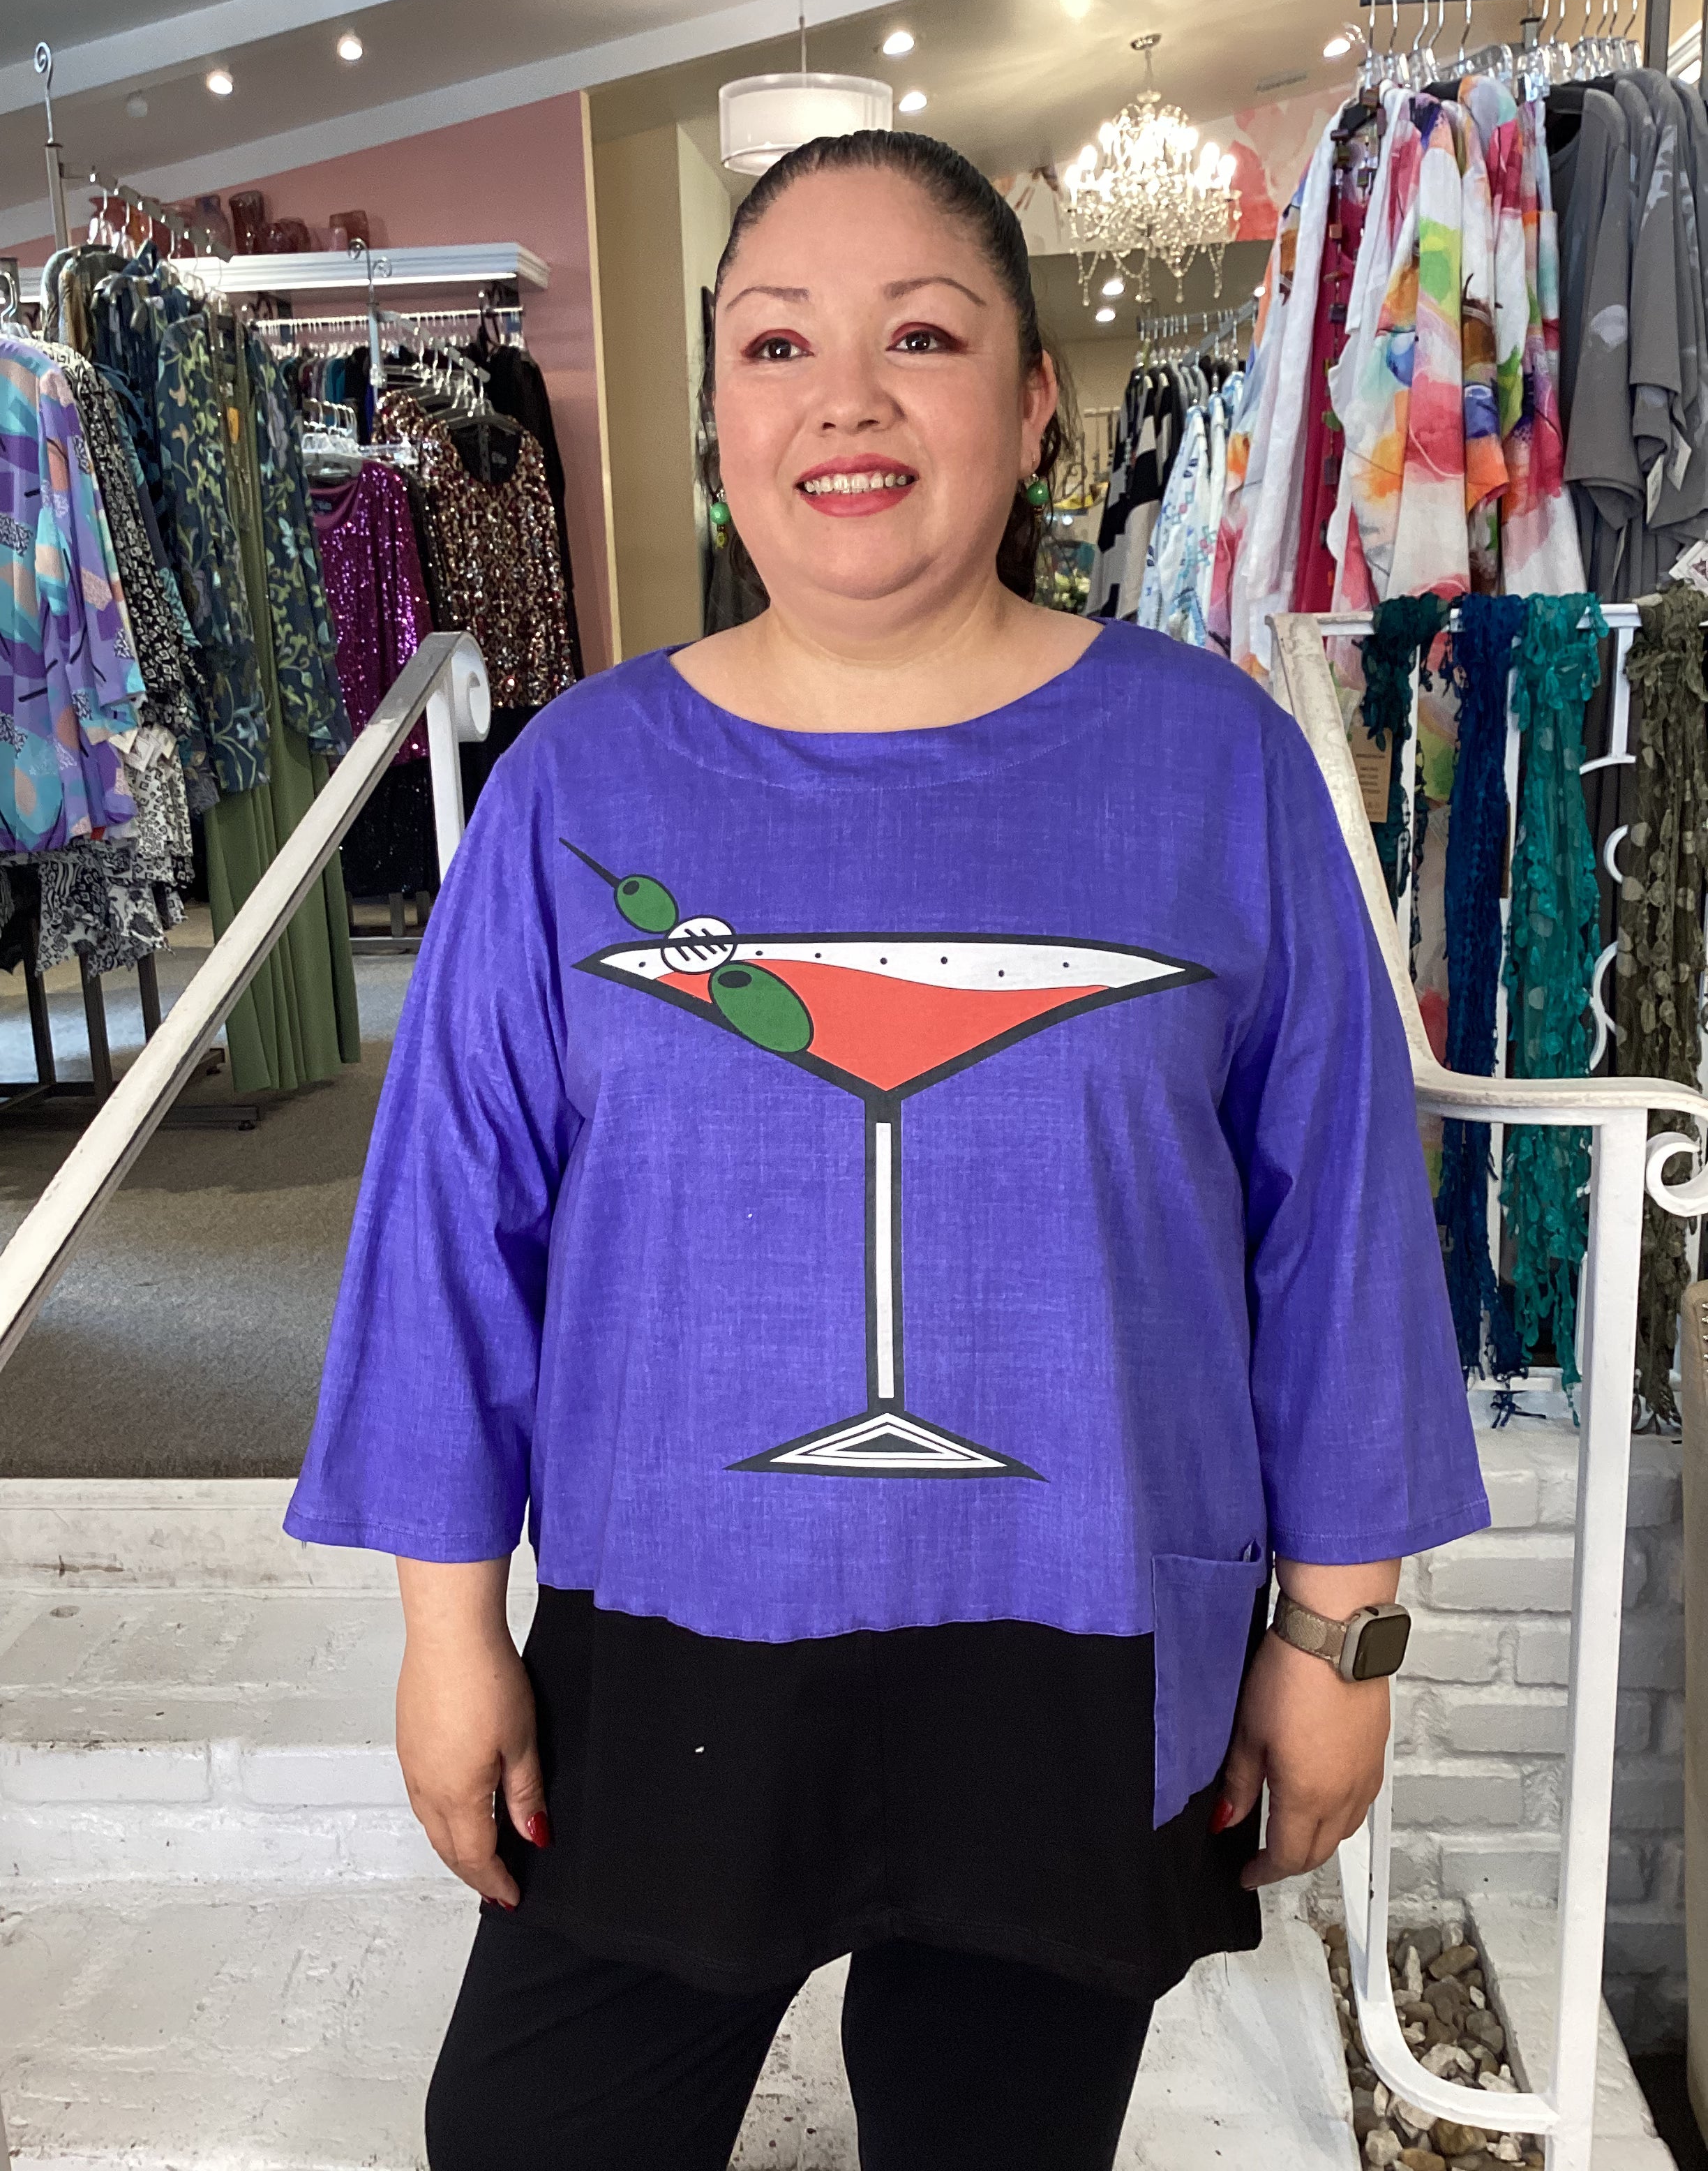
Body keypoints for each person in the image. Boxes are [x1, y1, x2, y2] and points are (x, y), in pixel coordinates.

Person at [285, 130, 1489, 2170]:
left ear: (1034, 403)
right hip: (669, 1636)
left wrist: (1336, 1637)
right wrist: (447, 1634)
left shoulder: (1218, 767)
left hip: (1086, 1635)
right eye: (777, 346)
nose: (843, 400)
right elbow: (450, 1244)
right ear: (718, 417)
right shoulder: (575, 789)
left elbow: (1344, 1232)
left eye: (921, 337)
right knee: (528, 2135)